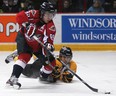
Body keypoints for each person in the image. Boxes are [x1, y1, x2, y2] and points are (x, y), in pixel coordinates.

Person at [6, 2, 57, 89]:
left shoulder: (51, 26)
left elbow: (49, 41)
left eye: (52, 15)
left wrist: (48, 47)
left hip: (37, 45)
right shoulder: (34, 14)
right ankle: (13, 78)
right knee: (25, 56)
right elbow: (19, 16)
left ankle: (43, 76)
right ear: (42, 12)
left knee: (51, 63)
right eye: (48, 14)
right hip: (24, 39)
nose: (49, 18)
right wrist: (26, 24)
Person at [5, 46, 77, 83]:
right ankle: (15, 57)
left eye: (69, 58)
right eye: (65, 57)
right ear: (60, 56)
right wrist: (55, 74)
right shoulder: (56, 62)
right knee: (30, 72)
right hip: (41, 65)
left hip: (44, 66)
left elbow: (67, 79)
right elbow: (45, 77)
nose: (67, 60)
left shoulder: (73, 64)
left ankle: (33, 55)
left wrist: (62, 75)